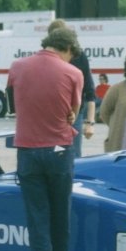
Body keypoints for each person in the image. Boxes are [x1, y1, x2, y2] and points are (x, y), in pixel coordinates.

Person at [7, 27, 83, 251]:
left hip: (28, 150)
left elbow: (15, 104)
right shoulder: (73, 73)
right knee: (60, 220)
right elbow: (71, 113)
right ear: (67, 48)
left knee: (38, 225)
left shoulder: (18, 67)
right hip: (60, 150)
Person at [48, 20, 95, 157]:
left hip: (74, 114)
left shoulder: (79, 57)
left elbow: (89, 91)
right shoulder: (46, 58)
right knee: (54, 154)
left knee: (72, 154)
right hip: (53, 114)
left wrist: (90, 122)